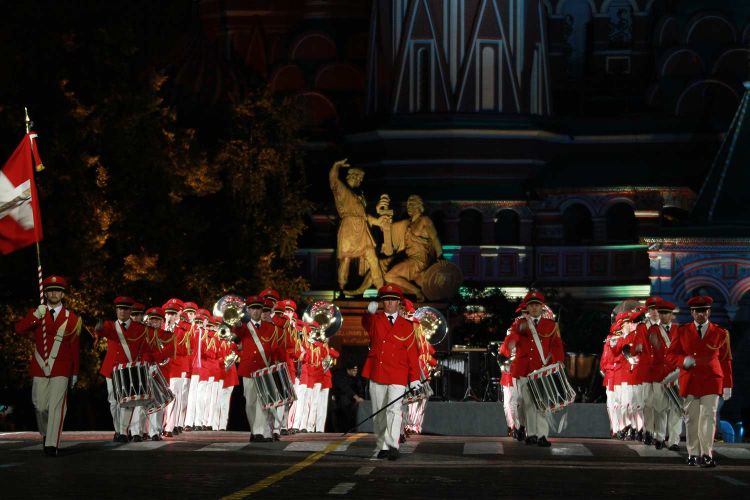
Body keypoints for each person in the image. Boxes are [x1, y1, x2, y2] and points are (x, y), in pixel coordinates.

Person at [15, 276, 82, 457]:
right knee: (39, 406)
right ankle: (46, 434)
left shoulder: (73, 318)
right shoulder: (38, 313)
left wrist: (75, 372)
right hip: (40, 365)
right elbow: (19, 329)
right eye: (51, 290)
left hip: (62, 366)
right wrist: (35, 316)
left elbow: (75, 347)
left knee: (56, 406)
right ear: (45, 293)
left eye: (58, 290)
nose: (54, 293)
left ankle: (52, 444)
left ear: (62, 294)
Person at [667, 295, 733, 467]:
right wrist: (683, 362)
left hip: (712, 380)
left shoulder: (720, 333)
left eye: (703, 311)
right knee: (692, 419)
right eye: (697, 311)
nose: (700, 314)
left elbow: (726, 360)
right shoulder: (682, 331)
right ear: (692, 312)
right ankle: (693, 453)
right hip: (690, 380)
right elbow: (671, 355)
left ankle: (707, 454)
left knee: (708, 418)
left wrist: (728, 384)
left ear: (709, 312)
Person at [362, 284, 421, 460]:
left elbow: (412, 353)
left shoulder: (407, 326)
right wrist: (368, 313)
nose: (389, 303)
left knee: (394, 410)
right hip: (378, 371)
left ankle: (393, 445)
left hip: (398, 372)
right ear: (382, 302)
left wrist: (414, 377)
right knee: (379, 411)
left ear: (399, 303)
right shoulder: (376, 320)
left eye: (393, 300)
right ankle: (383, 446)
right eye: (386, 299)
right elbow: (366, 325)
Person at [505, 291, 564, 447]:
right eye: (531, 305)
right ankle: (531, 434)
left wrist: (558, 362)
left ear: (542, 307)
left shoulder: (550, 325)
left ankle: (542, 435)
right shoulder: (519, 324)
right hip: (525, 369)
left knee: (543, 404)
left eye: (537, 305)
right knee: (528, 403)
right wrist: (507, 349)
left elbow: (556, 346)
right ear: (528, 307)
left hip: (542, 369)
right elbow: (511, 340)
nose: (534, 308)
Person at [94, 296, 149, 442]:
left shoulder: (139, 328)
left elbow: (145, 349)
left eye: (125, 309)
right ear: (116, 310)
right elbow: (103, 331)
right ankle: (118, 429)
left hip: (128, 370)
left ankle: (123, 433)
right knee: (113, 402)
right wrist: (98, 330)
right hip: (111, 369)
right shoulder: (110, 325)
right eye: (119, 309)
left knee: (127, 402)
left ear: (130, 310)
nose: (122, 312)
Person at [329, 158, 387, 294]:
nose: (361, 181)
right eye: (360, 178)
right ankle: (341, 288)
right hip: (349, 228)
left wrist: (378, 221)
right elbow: (333, 181)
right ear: (353, 176)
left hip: (362, 228)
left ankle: (381, 290)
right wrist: (335, 165)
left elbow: (365, 215)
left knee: (372, 257)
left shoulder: (360, 195)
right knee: (346, 259)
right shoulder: (343, 190)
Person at [234, 295, 278, 442]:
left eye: (258, 308)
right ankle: (254, 430)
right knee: (250, 402)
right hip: (248, 369)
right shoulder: (243, 327)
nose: (256, 311)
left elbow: (275, 348)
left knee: (262, 402)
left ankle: (259, 432)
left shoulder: (270, 328)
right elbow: (236, 334)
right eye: (253, 308)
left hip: (263, 369)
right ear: (248, 310)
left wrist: (275, 365)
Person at [383, 195, 443, 301]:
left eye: (412, 204)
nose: (409, 207)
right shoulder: (409, 223)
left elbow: (434, 238)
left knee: (389, 276)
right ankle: (416, 292)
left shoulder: (425, 220)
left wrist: (440, 255)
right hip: (410, 259)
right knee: (390, 280)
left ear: (419, 206)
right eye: (408, 205)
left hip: (419, 261)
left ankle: (417, 292)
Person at [332, 360, 365, 432]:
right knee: (344, 400)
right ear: (348, 370)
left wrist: (360, 397)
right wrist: (356, 397)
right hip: (339, 400)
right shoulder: (339, 375)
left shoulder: (356, 378)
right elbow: (345, 388)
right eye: (353, 370)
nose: (355, 372)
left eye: (356, 370)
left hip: (352, 402)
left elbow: (360, 389)